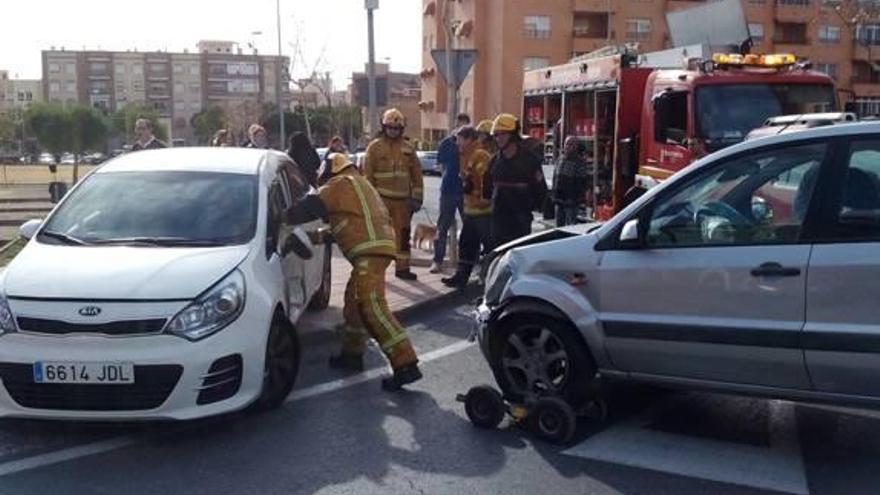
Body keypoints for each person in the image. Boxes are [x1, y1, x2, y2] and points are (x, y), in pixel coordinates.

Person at [286, 153, 422, 390]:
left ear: (331, 171)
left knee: (373, 306)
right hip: (375, 249)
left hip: (369, 253)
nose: (323, 183)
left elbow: (308, 208)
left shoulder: (340, 184)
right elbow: (342, 229)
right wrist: (308, 238)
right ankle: (352, 353)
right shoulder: (359, 186)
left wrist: (280, 217)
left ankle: (406, 363)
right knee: (354, 302)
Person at [363, 108, 424, 280]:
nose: (393, 131)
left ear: (401, 129)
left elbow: (417, 176)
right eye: (390, 128)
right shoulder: (374, 148)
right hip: (381, 200)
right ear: (384, 127)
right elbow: (367, 176)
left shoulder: (408, 148)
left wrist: (417, 198)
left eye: (396, 128)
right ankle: (376, 271)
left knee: (403, 236)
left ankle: (402, 268)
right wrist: (371, 200)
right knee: (379, 237)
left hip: (402, 202)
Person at [483, 113, 546, 247]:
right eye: (496, 135)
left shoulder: (530, 160)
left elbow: (541, 192)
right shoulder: (493, 162)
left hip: (520, 224)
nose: (498, 138)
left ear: (513, 136)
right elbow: (487, 192)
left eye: (502, 134)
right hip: (497, 224)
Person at [442, 126, 493, 288]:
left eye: (460, 139)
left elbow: (485, 182)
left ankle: (488, 280)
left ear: (470, 139)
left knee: (489, 247)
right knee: (466, 244)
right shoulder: (465, 155)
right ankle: (461, 277)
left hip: (483, 211)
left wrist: (483, 199)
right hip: (471, 209)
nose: (457, 143)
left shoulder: (480, 155)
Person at [430, 112, 470, 274]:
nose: (460, 129)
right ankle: (437, 261)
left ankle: (467, 261)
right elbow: (439, 166)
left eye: (464, 126)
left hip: (466, 192)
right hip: (448, 190)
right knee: (442, 226)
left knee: (469, 227)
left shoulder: (472, 144)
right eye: (459, 125)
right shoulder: (446, 144)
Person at [552, 136, 590, 227]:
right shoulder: (560, 159)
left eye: (571, 144)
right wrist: (553, 194)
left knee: (571, 225)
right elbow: (555, 177)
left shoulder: (579, 162)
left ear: (576, 146)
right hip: (559, 199)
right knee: (558, 226)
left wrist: (575, 198)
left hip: (571, 200)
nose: (567, 146)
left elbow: (582, 182)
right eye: (566, 144)